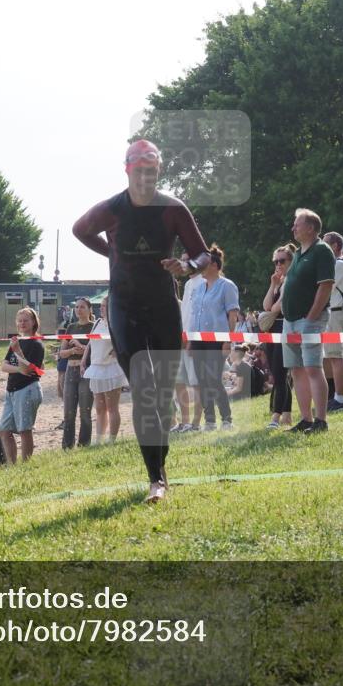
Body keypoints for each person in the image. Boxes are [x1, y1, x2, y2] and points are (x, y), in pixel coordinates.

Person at [72, 139, 211, 503]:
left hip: (162, 303)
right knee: (144, 391)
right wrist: (111, 252)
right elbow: (79, 229)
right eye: (139, 170)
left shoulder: (172, 208)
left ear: (158, 171)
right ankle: (156, 479)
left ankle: (160, 468)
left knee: (163, 392)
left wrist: (186, 266)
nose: (145, 177)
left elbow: (202, 254)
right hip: (125, 306)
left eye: (152, 170)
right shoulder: (112, 209)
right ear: (128, 170)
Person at [282, 208, 335, 434]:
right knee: (296, 370)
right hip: (291, 320)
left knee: (313, 368)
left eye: (297, 224)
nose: (293, 227)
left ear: (311, 228)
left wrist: (312, 315)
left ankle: (320, 420)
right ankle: (305, 419)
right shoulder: (300, 253)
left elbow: (325, 286)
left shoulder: (322, 251)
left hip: (308, 319)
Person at [187, 244, 240, 431]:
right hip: (199, 340)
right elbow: (195, 316)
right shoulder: (199, 288)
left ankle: (227, 419)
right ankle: (209, 420)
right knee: (202, 381)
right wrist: (191, 341)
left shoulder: (227, 286)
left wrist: (228, 340)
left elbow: (232, 315)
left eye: (204, 264)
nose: (200, 267)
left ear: (215, 265)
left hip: (217, 341)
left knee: (213, 379)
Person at [0, 307, 45, 463]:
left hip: (27, 389)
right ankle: (12, 466)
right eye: (20, 320)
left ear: (34, 322)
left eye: (26, 320)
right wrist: (18, 367)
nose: (22, 323)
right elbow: (4, 366)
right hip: (11, 391)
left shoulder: (36, 344)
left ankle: (25, 465)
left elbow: (27, 371)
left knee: (24, 430)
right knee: (4, 430)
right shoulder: (17, 341)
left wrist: (18, 352)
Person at [82, 295, 128, 443]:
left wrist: (118, 350)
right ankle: (99, 439)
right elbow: (90, 344)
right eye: (101, 305)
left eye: (104, 306)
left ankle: (112, 439)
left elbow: (126, 342)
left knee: (112, 407)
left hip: (111, 368)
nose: (101, 308)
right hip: (96, 367)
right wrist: (83, 361)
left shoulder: (117, 323)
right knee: (100, 407)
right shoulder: (97, 323)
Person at [263, 244, 294, 429]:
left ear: (291, 261)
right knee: (278, 373)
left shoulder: (291, 281)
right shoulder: (279, 283)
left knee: (281, 373)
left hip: (284, 329)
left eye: (282, 261)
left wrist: (272, 310)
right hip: (272, 332)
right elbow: (267, 305)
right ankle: (287, 414)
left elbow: (277, 308)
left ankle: (276, 416)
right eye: (276, 261)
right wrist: (273, 284)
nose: (278, 264)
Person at [170, 260, 202, 434]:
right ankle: (185, 421)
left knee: (195, 384)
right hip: (174, 350)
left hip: (188, 346)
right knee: (179, 384)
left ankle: (195, 422)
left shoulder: (181, 304)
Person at [59, 297, 95, 449]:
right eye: (77, 307)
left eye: (82, 307)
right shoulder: (70, 327)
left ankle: (84, 445)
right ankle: (67, 446)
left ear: (89, 310)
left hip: (86, 370)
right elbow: (62, 353)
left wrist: (81, 347)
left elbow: (94, 351)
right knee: (69, 412)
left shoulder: (94, 327)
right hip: (70, 370)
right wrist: (73, 350)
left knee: (85, 412)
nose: (79, 310)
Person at [322, 232, 343, 411]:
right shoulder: (335, 264)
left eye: (325, 244)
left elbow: (327, 286)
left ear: (334, 246)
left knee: (335, 356)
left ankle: (340, 398)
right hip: (330, 313)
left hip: (336, 312)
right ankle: (332, 395)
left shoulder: (340, 264)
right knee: (328, 356)